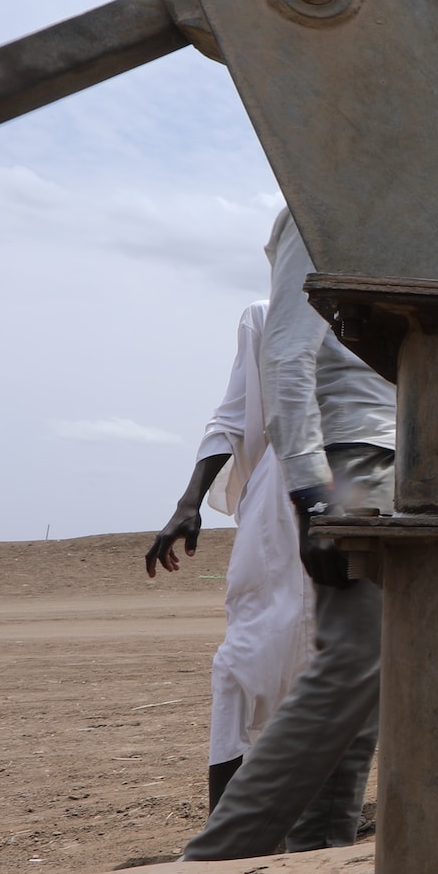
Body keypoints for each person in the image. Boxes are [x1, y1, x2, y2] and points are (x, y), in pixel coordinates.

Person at [182, 210, 395, 859]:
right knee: (351, 656)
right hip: (348, 459)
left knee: (369, 682)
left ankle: (316, 854)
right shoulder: (324, 204)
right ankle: (219, 857)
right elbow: (284, 358)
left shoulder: (411, 209)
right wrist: (311, 496)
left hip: (405, 453)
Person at [145, 300, 313, 811]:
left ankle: (318, 823)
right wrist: (188, 502)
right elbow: (234, 415)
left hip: (367, 491)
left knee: (339, 658)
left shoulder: (377, 311)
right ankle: (226, 831)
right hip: (278, 506)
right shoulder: (265, 316)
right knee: (247, 657)